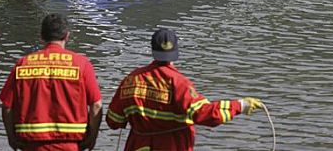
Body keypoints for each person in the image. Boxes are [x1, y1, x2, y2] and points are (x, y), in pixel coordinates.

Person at [106, 29, 264, 151]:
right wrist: (241, 105)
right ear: (175, 52)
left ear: (152, 50)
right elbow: (205, 114)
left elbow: (113, 120)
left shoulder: (132, 79)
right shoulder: (179, 83)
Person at [0, 14, 103, 151]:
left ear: (41, 36)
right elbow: (96, 106)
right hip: (70, 145)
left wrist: (11, 138)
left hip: (31, 145)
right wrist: (92, 137)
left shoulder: (23, 64)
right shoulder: (82, 65)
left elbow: (7, 106)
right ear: (67, 36)